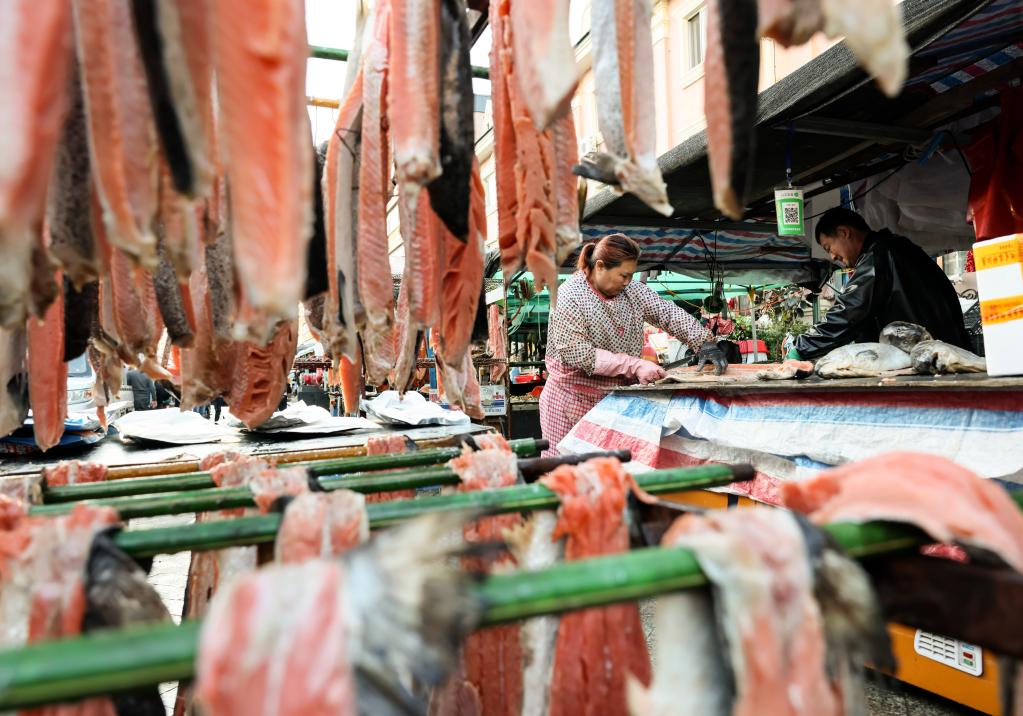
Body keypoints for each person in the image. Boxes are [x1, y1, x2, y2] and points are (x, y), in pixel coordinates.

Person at [539, 233, 727, 455]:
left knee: (615, 469)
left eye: (631, 275)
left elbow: (666, 313)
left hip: (615, 399)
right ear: (600, 266)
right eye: (623, 275)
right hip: (569, 402)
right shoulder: (569, 295)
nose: (627, 281)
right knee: (567, 470)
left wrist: (704, 341)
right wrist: (635, 365)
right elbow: (578, 353)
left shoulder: (632, 291)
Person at [789, 208, 969, 360]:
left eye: (829, 248)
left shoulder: (879, 256)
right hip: (944, 352)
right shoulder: (895, 247)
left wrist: (802, 347)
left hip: (933, 358)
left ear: (844, 232)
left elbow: (850, 312)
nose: (832, 257)